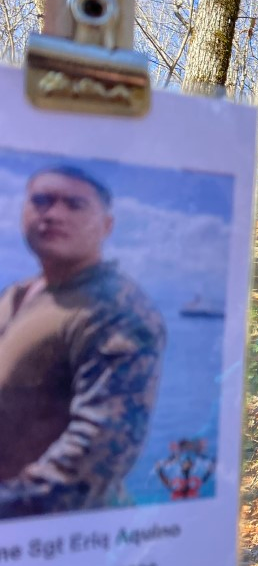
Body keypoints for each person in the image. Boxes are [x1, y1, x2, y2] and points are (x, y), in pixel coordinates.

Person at [0, 165, 165, 518]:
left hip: (60, 533)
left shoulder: (118, 310)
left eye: (74, 204)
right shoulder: (15, 295)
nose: (53, 213)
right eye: (41, 200)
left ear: (106, 225)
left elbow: (98, 454)